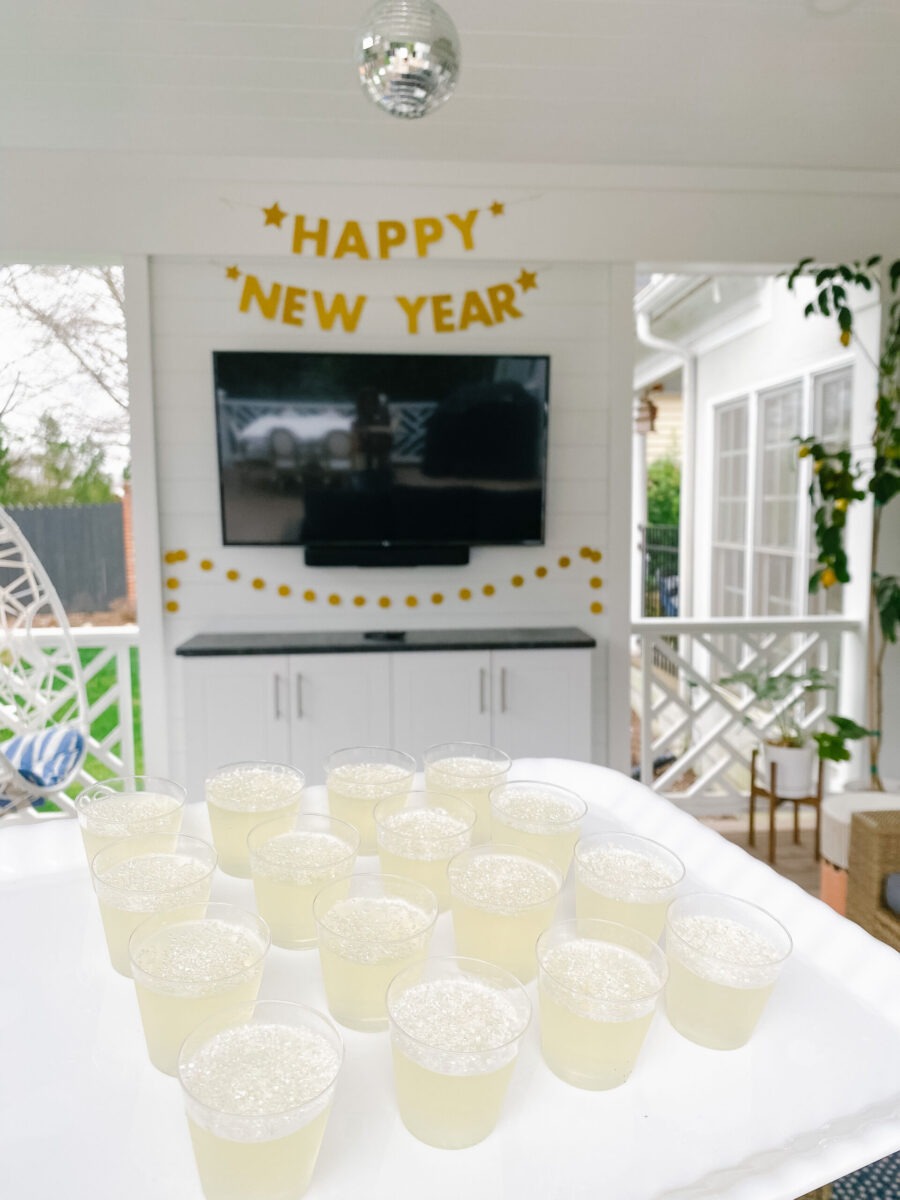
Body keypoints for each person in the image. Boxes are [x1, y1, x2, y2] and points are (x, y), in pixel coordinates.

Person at [352, 387, 393, 472]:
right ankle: (367, 470)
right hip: (367, 441)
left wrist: (369, 429)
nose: (368, 401)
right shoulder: (362, 410)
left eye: (370, 398)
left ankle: (380, 470)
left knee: (378, 448)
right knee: (364, 450)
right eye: (366, 399)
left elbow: (386, 428)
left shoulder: (382, 410)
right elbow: (360, 424)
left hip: (381, 440)